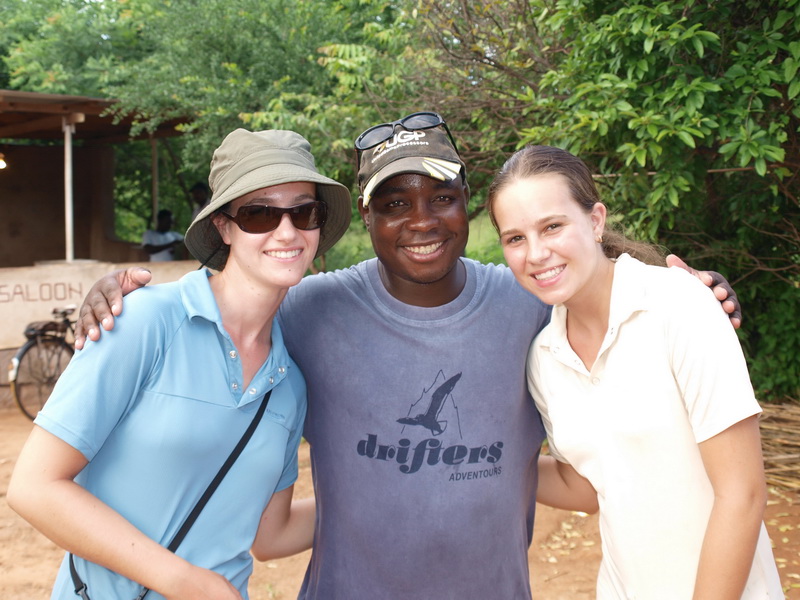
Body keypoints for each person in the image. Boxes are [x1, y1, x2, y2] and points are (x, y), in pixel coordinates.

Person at [71, 112, 742, 599]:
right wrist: (119, 292)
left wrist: (697, 288)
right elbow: (228, 303)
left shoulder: (528, 304)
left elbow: (601, 289)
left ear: (464, 209)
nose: (421, 220)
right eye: (395, 203)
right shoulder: (312, 310)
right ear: (364, 217)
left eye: (441, 199)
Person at [8, 129, 352, 600]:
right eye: (259, 213)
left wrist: (387, 490)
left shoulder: (288, 383)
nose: (287, 231)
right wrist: (186, 583)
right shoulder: (146, 320)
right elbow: (34, 487)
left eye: (304, 211)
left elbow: (271, 536)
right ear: (223, 227)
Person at [486, 144, 782, 599]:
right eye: (515, 238)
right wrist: (479, 461)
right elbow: (588, 483)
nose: (537, 253)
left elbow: (741, 496)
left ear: (596, 220)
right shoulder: (545, 356)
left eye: (553, 226)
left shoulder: (678, 306)